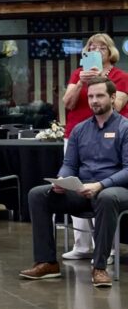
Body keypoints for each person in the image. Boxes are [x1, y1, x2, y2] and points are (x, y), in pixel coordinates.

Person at [20, 77, 128, 288]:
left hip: (117, 189)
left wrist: (101, 185)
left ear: (113, 97)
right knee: (38, 194)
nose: (94, 101)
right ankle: (47, 262)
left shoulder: (125, 127)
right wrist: (62, 180)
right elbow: (69, 164)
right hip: (83, 190)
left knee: (106, 197)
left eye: (100, 96)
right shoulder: (79, 130)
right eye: (90, 96)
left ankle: (99, 267)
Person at [61, 33, 128, 261]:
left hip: (110, 136)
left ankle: (106, 247)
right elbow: (67, 103)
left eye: (101, 46)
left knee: (103, 191)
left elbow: (117, 106)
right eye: (92, 46)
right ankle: (81, 245)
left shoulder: (120, 77)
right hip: (77, 134)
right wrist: (81, 82)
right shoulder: (78, 74)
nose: (96, 49)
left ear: (111, 52)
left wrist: (100, 81)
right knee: (75, 184)